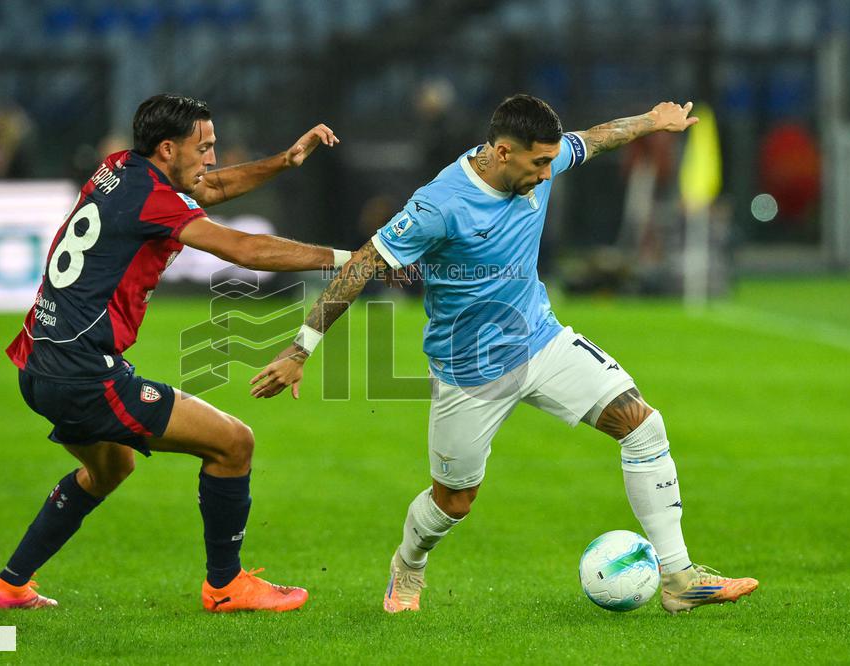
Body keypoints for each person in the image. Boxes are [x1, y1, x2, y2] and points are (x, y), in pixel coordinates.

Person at [251, 94, 759, 615]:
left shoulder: (541, 162)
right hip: (469, 372)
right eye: (538, 163)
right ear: (501, 152)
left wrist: (652, 121)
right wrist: (299, 349)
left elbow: (598, 137)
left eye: (551, 161)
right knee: (453, 502)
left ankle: (678, 578)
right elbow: (361, 266)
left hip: (542, 341)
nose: (547, 173)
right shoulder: (439, 205)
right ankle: (409, 563)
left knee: (642, 426)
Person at [0, 93, 351, 613]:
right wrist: (349, 258)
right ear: (168, 149)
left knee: (111, 468)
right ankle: (226, 586)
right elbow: (244, 249)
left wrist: (284, 161)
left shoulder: (118, 168)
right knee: (233, 443)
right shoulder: (153, 199)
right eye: (204, 147)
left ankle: (8, 585)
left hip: (39, 361)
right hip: (85, 375)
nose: (212, 158)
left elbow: (209, 187)